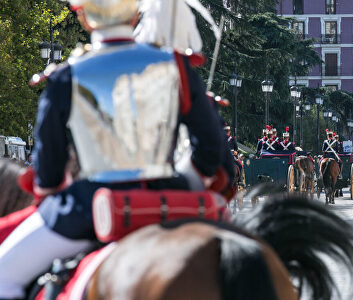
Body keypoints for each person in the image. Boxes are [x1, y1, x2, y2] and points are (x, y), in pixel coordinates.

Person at [0, 1, 229, 297]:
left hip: (88, 208)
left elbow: (48, 168)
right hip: (167, 199)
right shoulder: (175, 65)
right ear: (136, 14)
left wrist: (52, 186)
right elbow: (210, 147)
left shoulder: (66, 75)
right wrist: (187, 183)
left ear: (83, 17)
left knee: (4, 276)